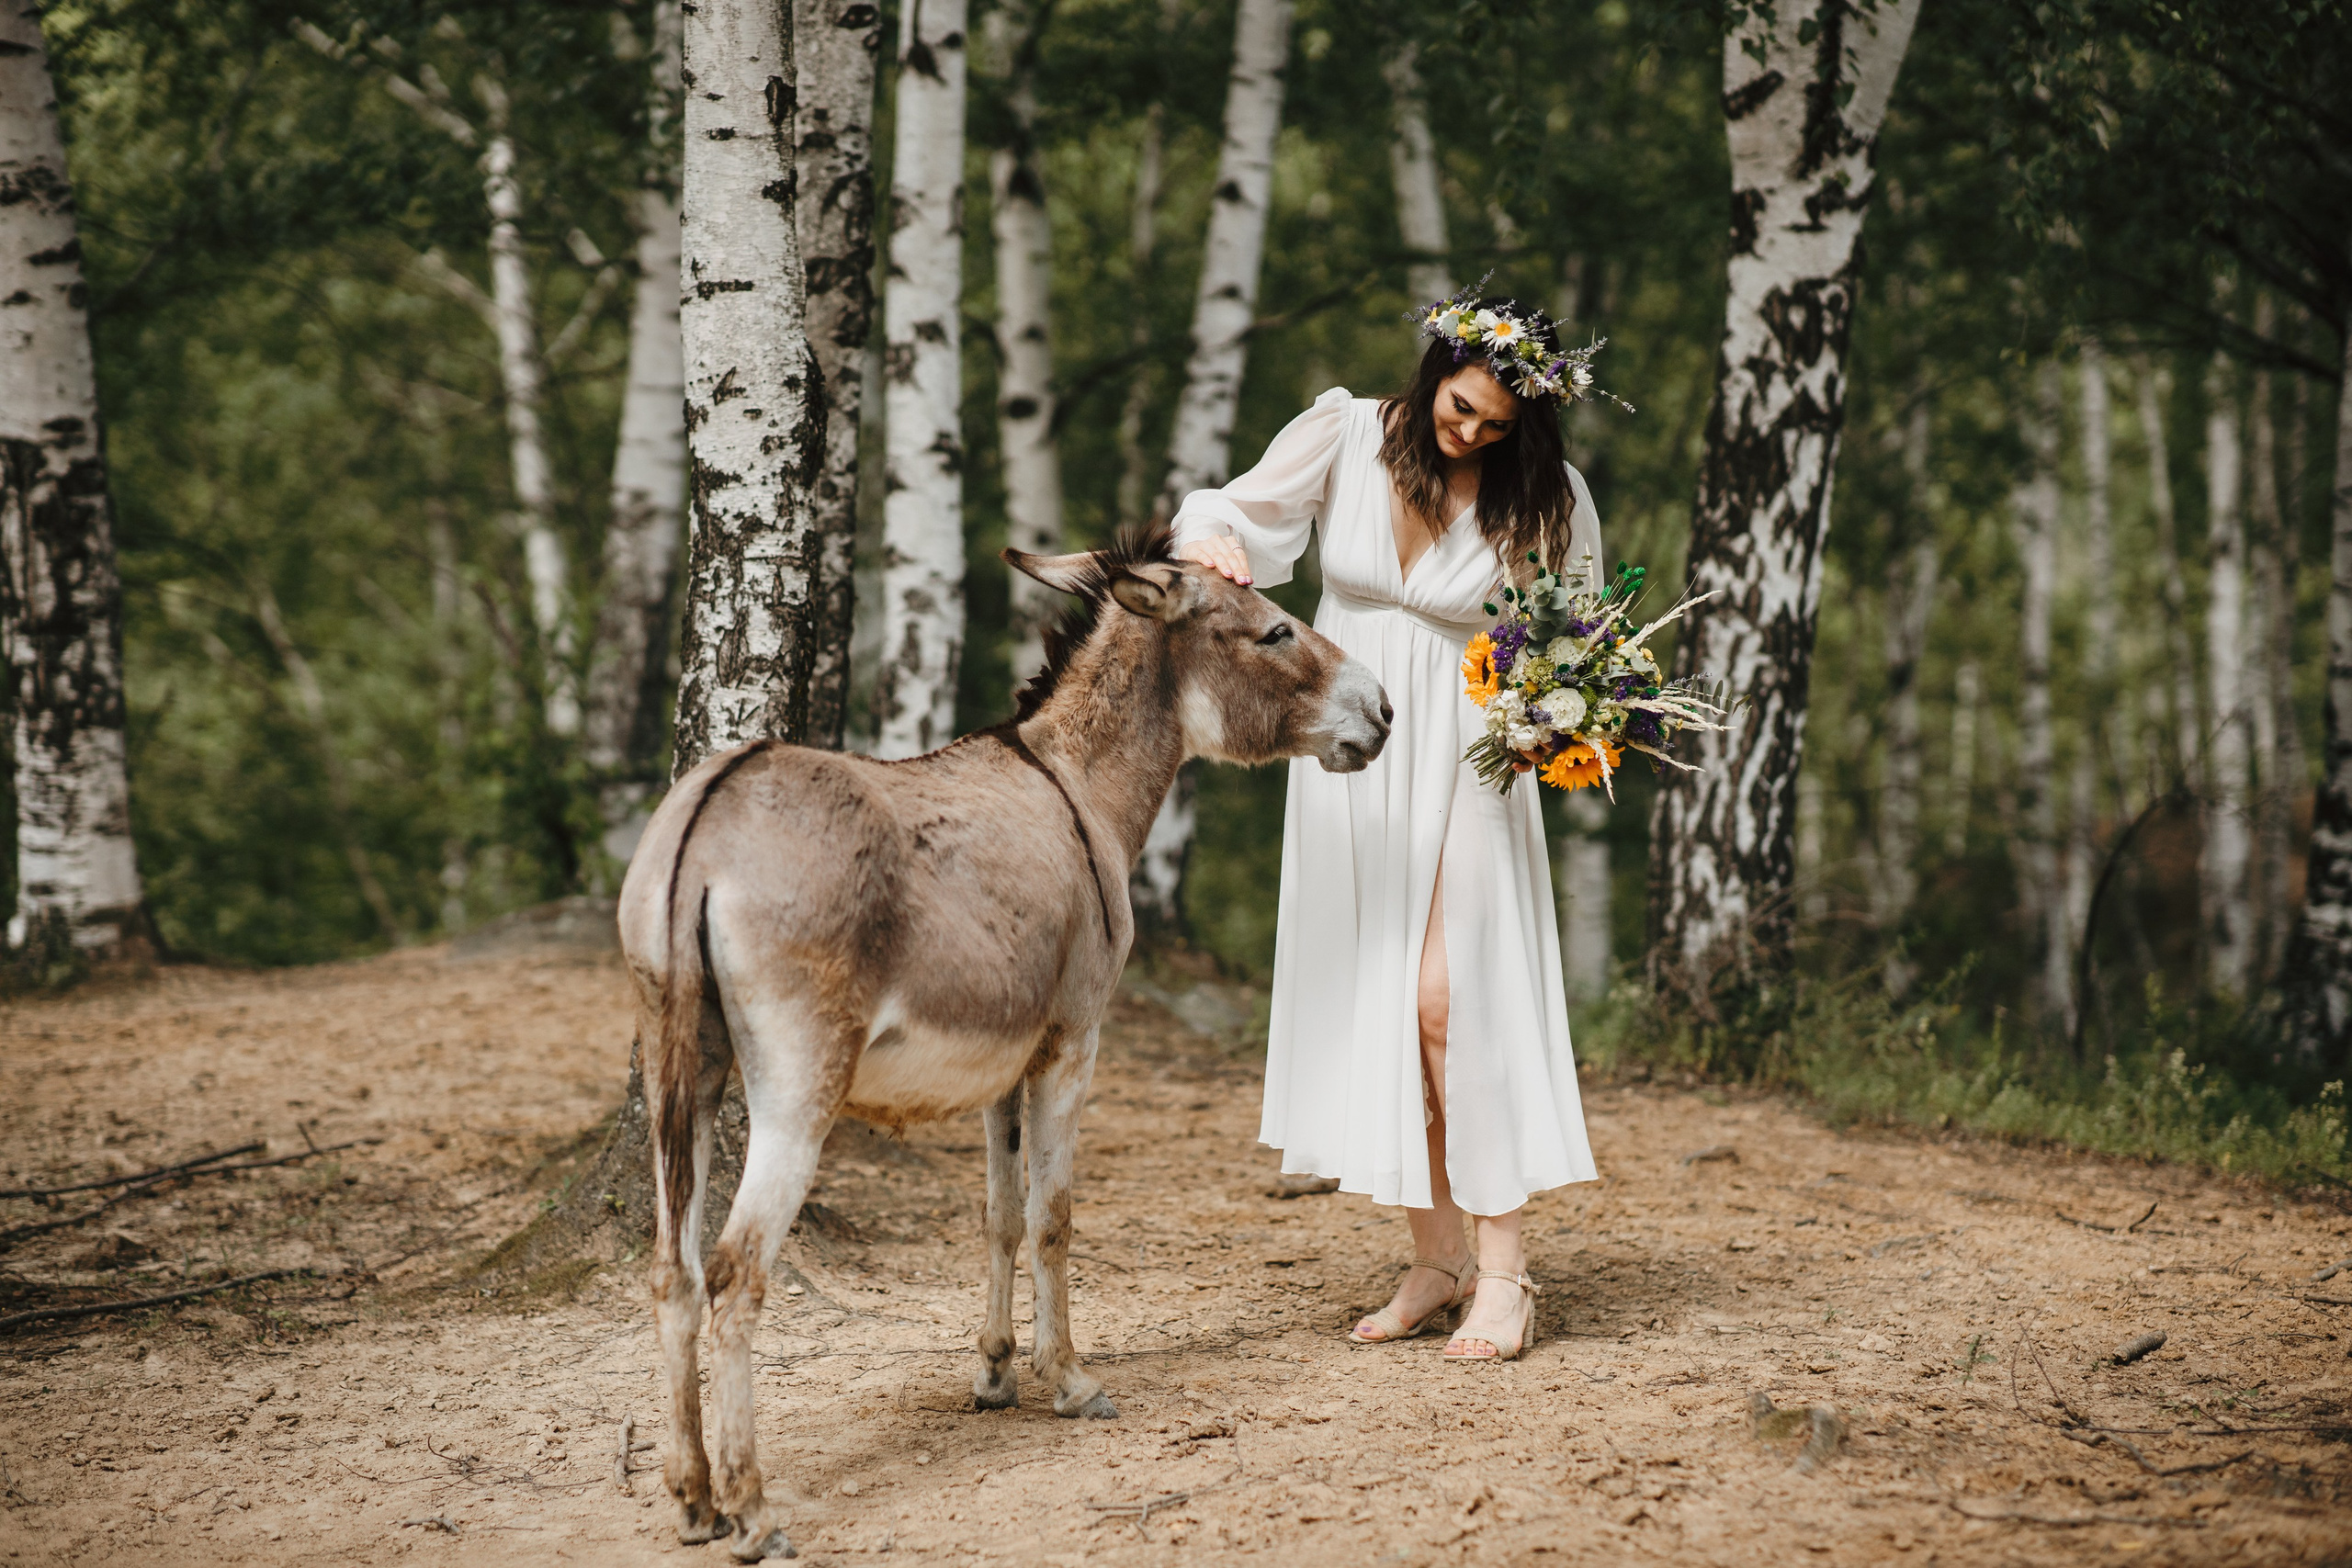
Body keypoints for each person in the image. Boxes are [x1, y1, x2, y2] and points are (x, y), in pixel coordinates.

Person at [1170, 292, 1610, 1361]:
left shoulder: (1547, 497)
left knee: (1451, 1000)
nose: (1472, 435)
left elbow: (1579, 635)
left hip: (1467, 747)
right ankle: (1435, 1257)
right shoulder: (1347, 433)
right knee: (1390, 1005)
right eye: (1462, 409)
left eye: (1498, 425)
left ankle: (1506, 1275)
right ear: (1435, 372)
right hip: (1350, 735)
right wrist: (1220, 546)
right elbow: (1226, 511)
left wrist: (1561, 712)